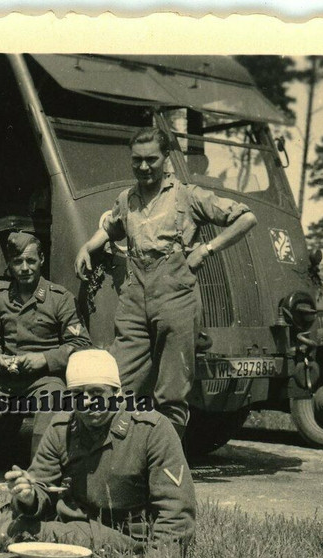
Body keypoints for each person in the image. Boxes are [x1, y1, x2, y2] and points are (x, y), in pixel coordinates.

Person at [73, 127, 258, 438]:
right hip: (134, 297)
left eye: (151, 160)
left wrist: (207, 249)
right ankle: (116, 461)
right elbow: (112, 227)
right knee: (114, 380)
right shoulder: (127, 199)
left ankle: (165, 469)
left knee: (171, 393)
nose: (144, 167)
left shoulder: (187, 195)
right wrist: (88, 245)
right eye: (137, 161)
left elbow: (246, 218)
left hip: (175, 296)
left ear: (166, 159)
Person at [0, 349, 195, 558]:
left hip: (122, 535)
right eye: (78, 394)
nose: (87, 401)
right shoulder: (62, 427)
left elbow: (176, 511)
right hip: (71, 523)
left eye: (97, 392)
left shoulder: (151, 430)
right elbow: (41, 487)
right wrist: (27, 495)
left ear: (117, 393)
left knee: (17, 530)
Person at [0, 231, 92, 458]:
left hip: (44, 379)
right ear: (10, 265)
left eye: (30, 261)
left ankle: (40, 474)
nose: (24, 268)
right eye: (17, 262)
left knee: (53, 400)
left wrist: (44, 359)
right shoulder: (2, 298)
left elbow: (81, 344)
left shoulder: (59, 298)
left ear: (41, 260)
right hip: (6, 380)